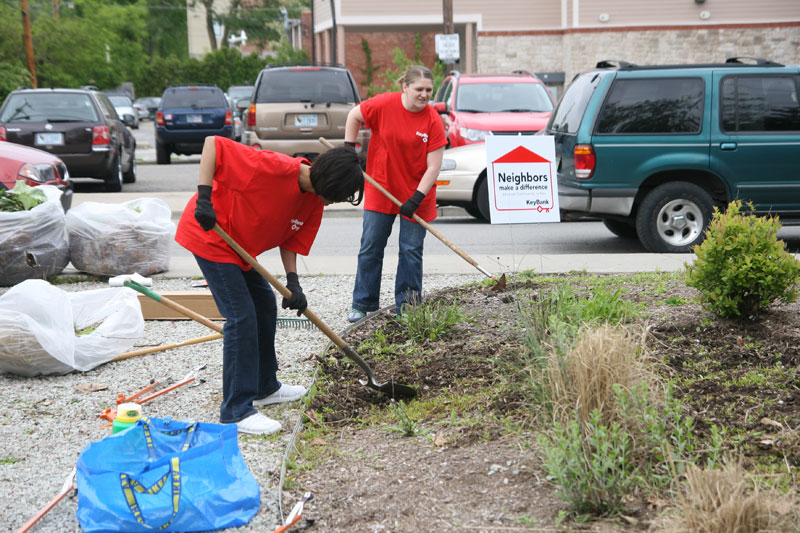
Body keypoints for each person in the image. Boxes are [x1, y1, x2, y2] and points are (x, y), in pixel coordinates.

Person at [175, 135, 363, 435]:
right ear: (328, 182)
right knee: (242, 317)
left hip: (241, 249)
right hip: (211, 236)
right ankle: (236, 410)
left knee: (264, 307)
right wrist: (204, 197)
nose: (334, 202)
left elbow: (291, 236)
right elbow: (212, 144)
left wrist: (293, 282)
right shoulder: (272, 167)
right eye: (338, 195)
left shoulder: (313, 200)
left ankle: (264, 387)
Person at [344, 65, 447, 322]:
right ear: (405, 87)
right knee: (371, 246)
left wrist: (416, 198)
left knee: (411, 250)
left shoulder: (433, 119)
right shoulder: (383, 105)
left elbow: (434, 166)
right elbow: (353, 116)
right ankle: (362, 303)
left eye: (428, 90)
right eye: (419, 89)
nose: (424, 95)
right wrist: (348, 149)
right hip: (382, 188)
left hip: (417, 195)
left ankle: (408, 306)